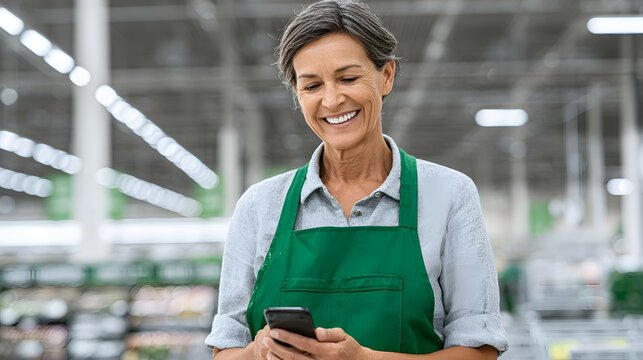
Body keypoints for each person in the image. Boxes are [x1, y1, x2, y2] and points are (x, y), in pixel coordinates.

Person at [206, 1, 508, 359]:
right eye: (312, 86)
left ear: (387, 76)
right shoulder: (259, 205)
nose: (332, 100)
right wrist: (258, 351)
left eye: (348, 78)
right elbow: (225, 351)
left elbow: (480, 351)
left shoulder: (450, 195)